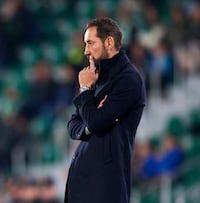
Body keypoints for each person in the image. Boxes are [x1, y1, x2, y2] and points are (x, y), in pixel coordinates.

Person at [65, 17, 146, 203]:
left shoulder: (129, 79)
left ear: (109, 42)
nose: (86, 51)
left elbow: (95, 121)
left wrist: (85, 91)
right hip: (81, 181)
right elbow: (73, 125)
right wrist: (89, 125)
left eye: (90, 43)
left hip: (106, 185)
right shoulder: (96, 78)